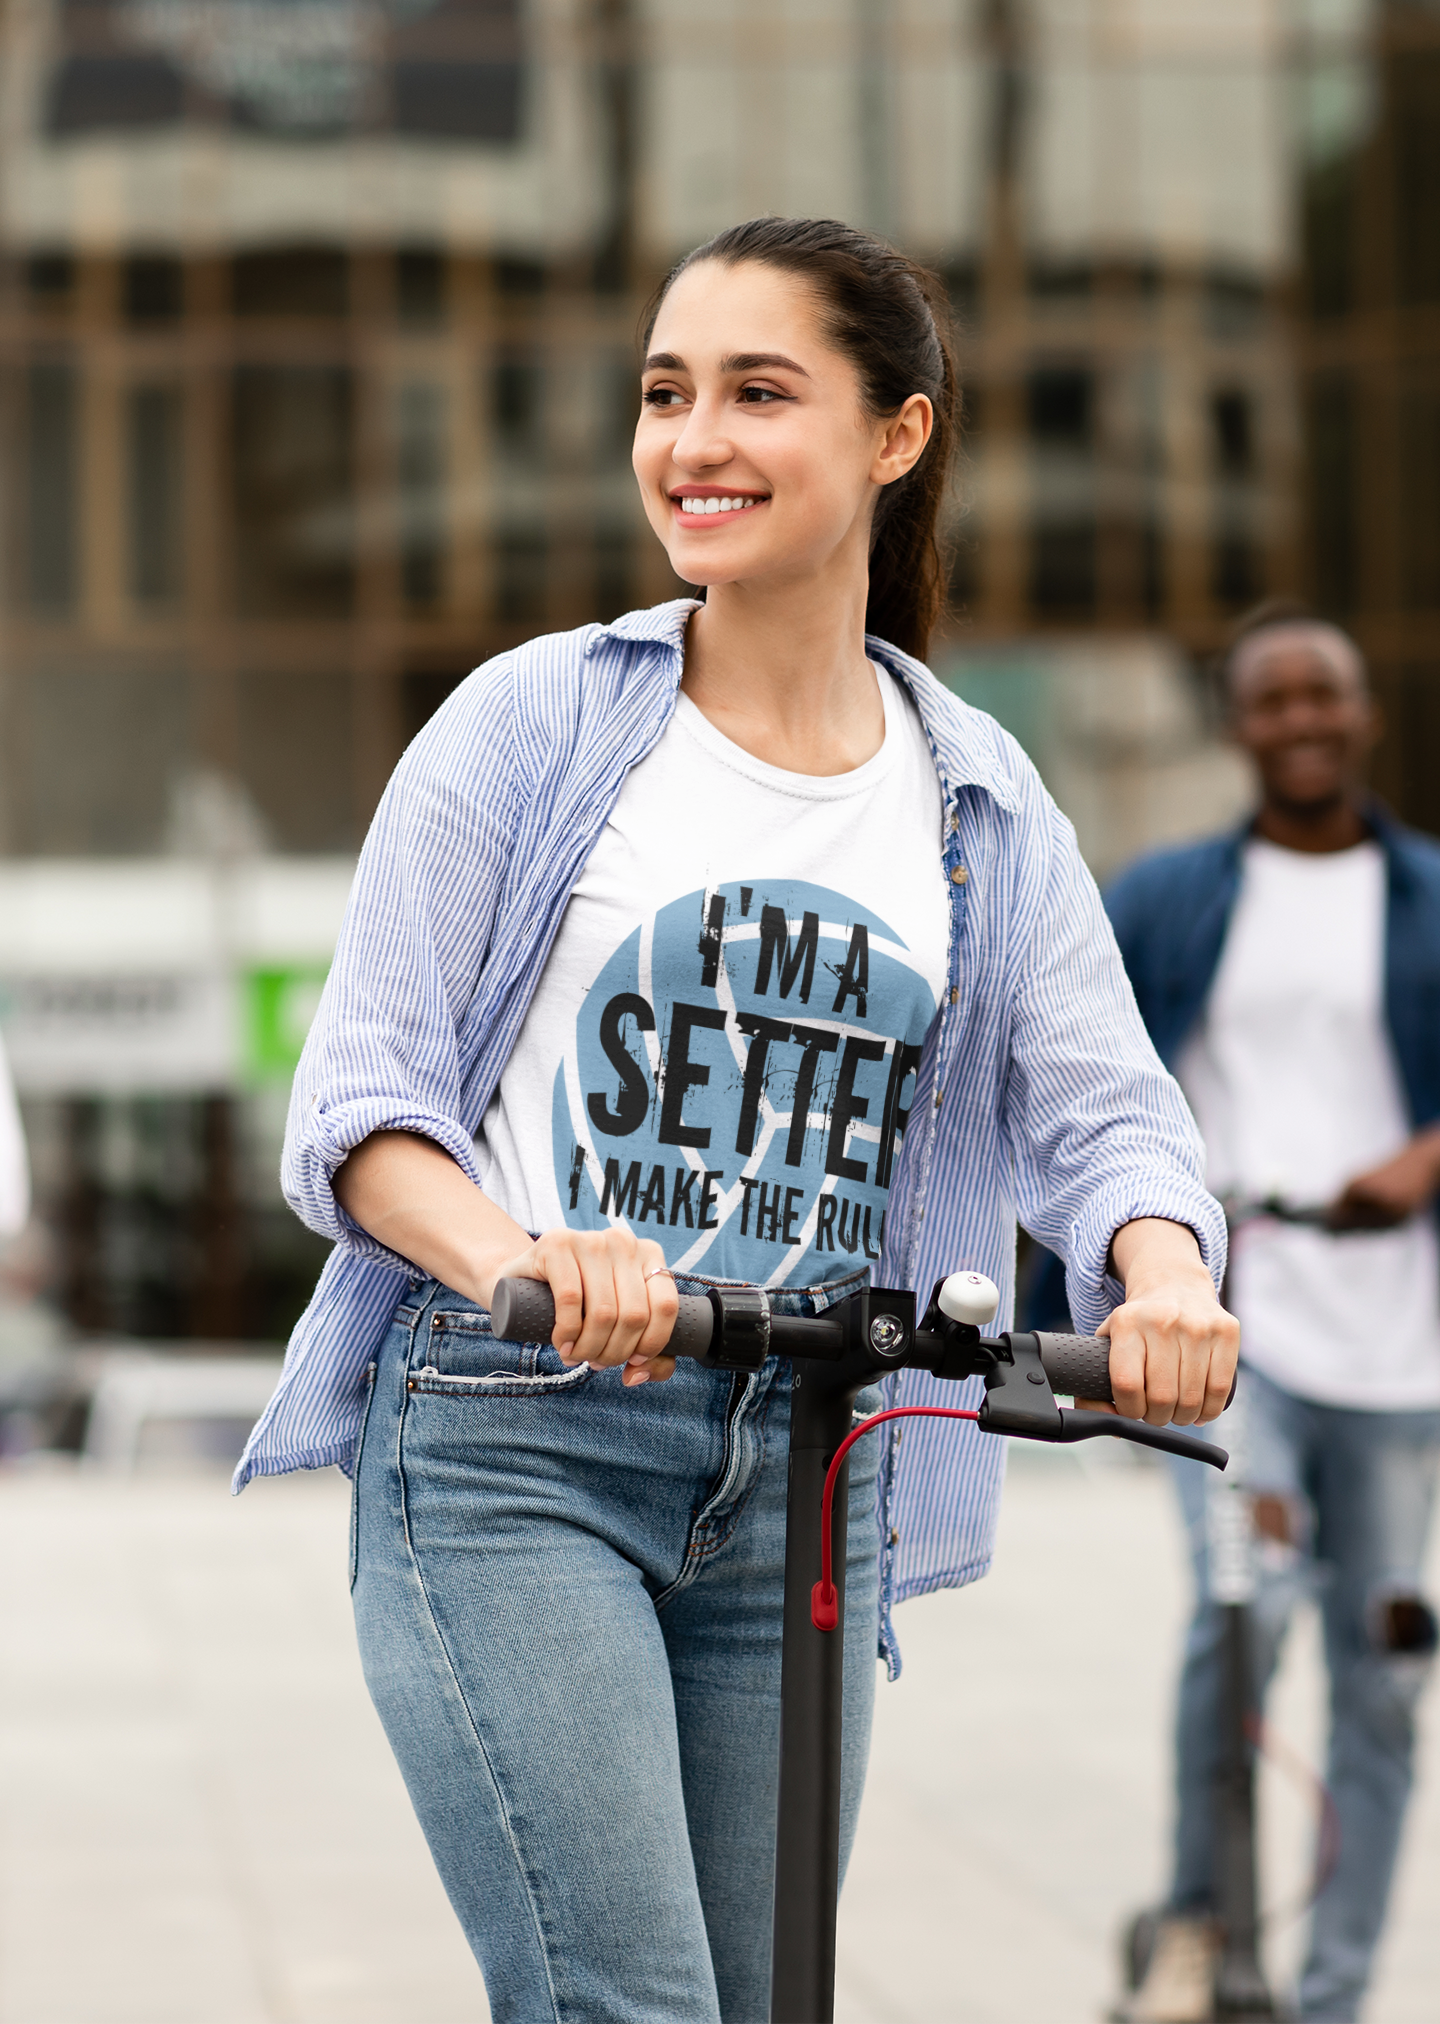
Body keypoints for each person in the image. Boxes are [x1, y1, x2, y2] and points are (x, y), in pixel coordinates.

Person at [235, 217, 1236, 2024]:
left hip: (811, 1453)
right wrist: (522, 1257)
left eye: (758, 392)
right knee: (630, 2002)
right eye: (663, 394)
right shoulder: (534, 723)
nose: (691, 440)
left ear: (895, 437)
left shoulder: (978, 800)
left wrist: (1159, 1286)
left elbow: (1109, 1116)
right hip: (516, 1438)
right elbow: (365, 1106)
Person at [1107, 605, 1440, 2024]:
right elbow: (1086, 1077)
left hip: (1400, 1354)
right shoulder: (1172, 894)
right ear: (1239, 724)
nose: (1303, 721)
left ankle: (1336, 1993)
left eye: (1327, 698)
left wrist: (1422, 1165)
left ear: (1364, 716)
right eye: (1273, 701)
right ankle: (1200, 1925)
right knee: (1241, 1621)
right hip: (1239, 1340)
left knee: (1380, 1678)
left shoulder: (1428, 892)